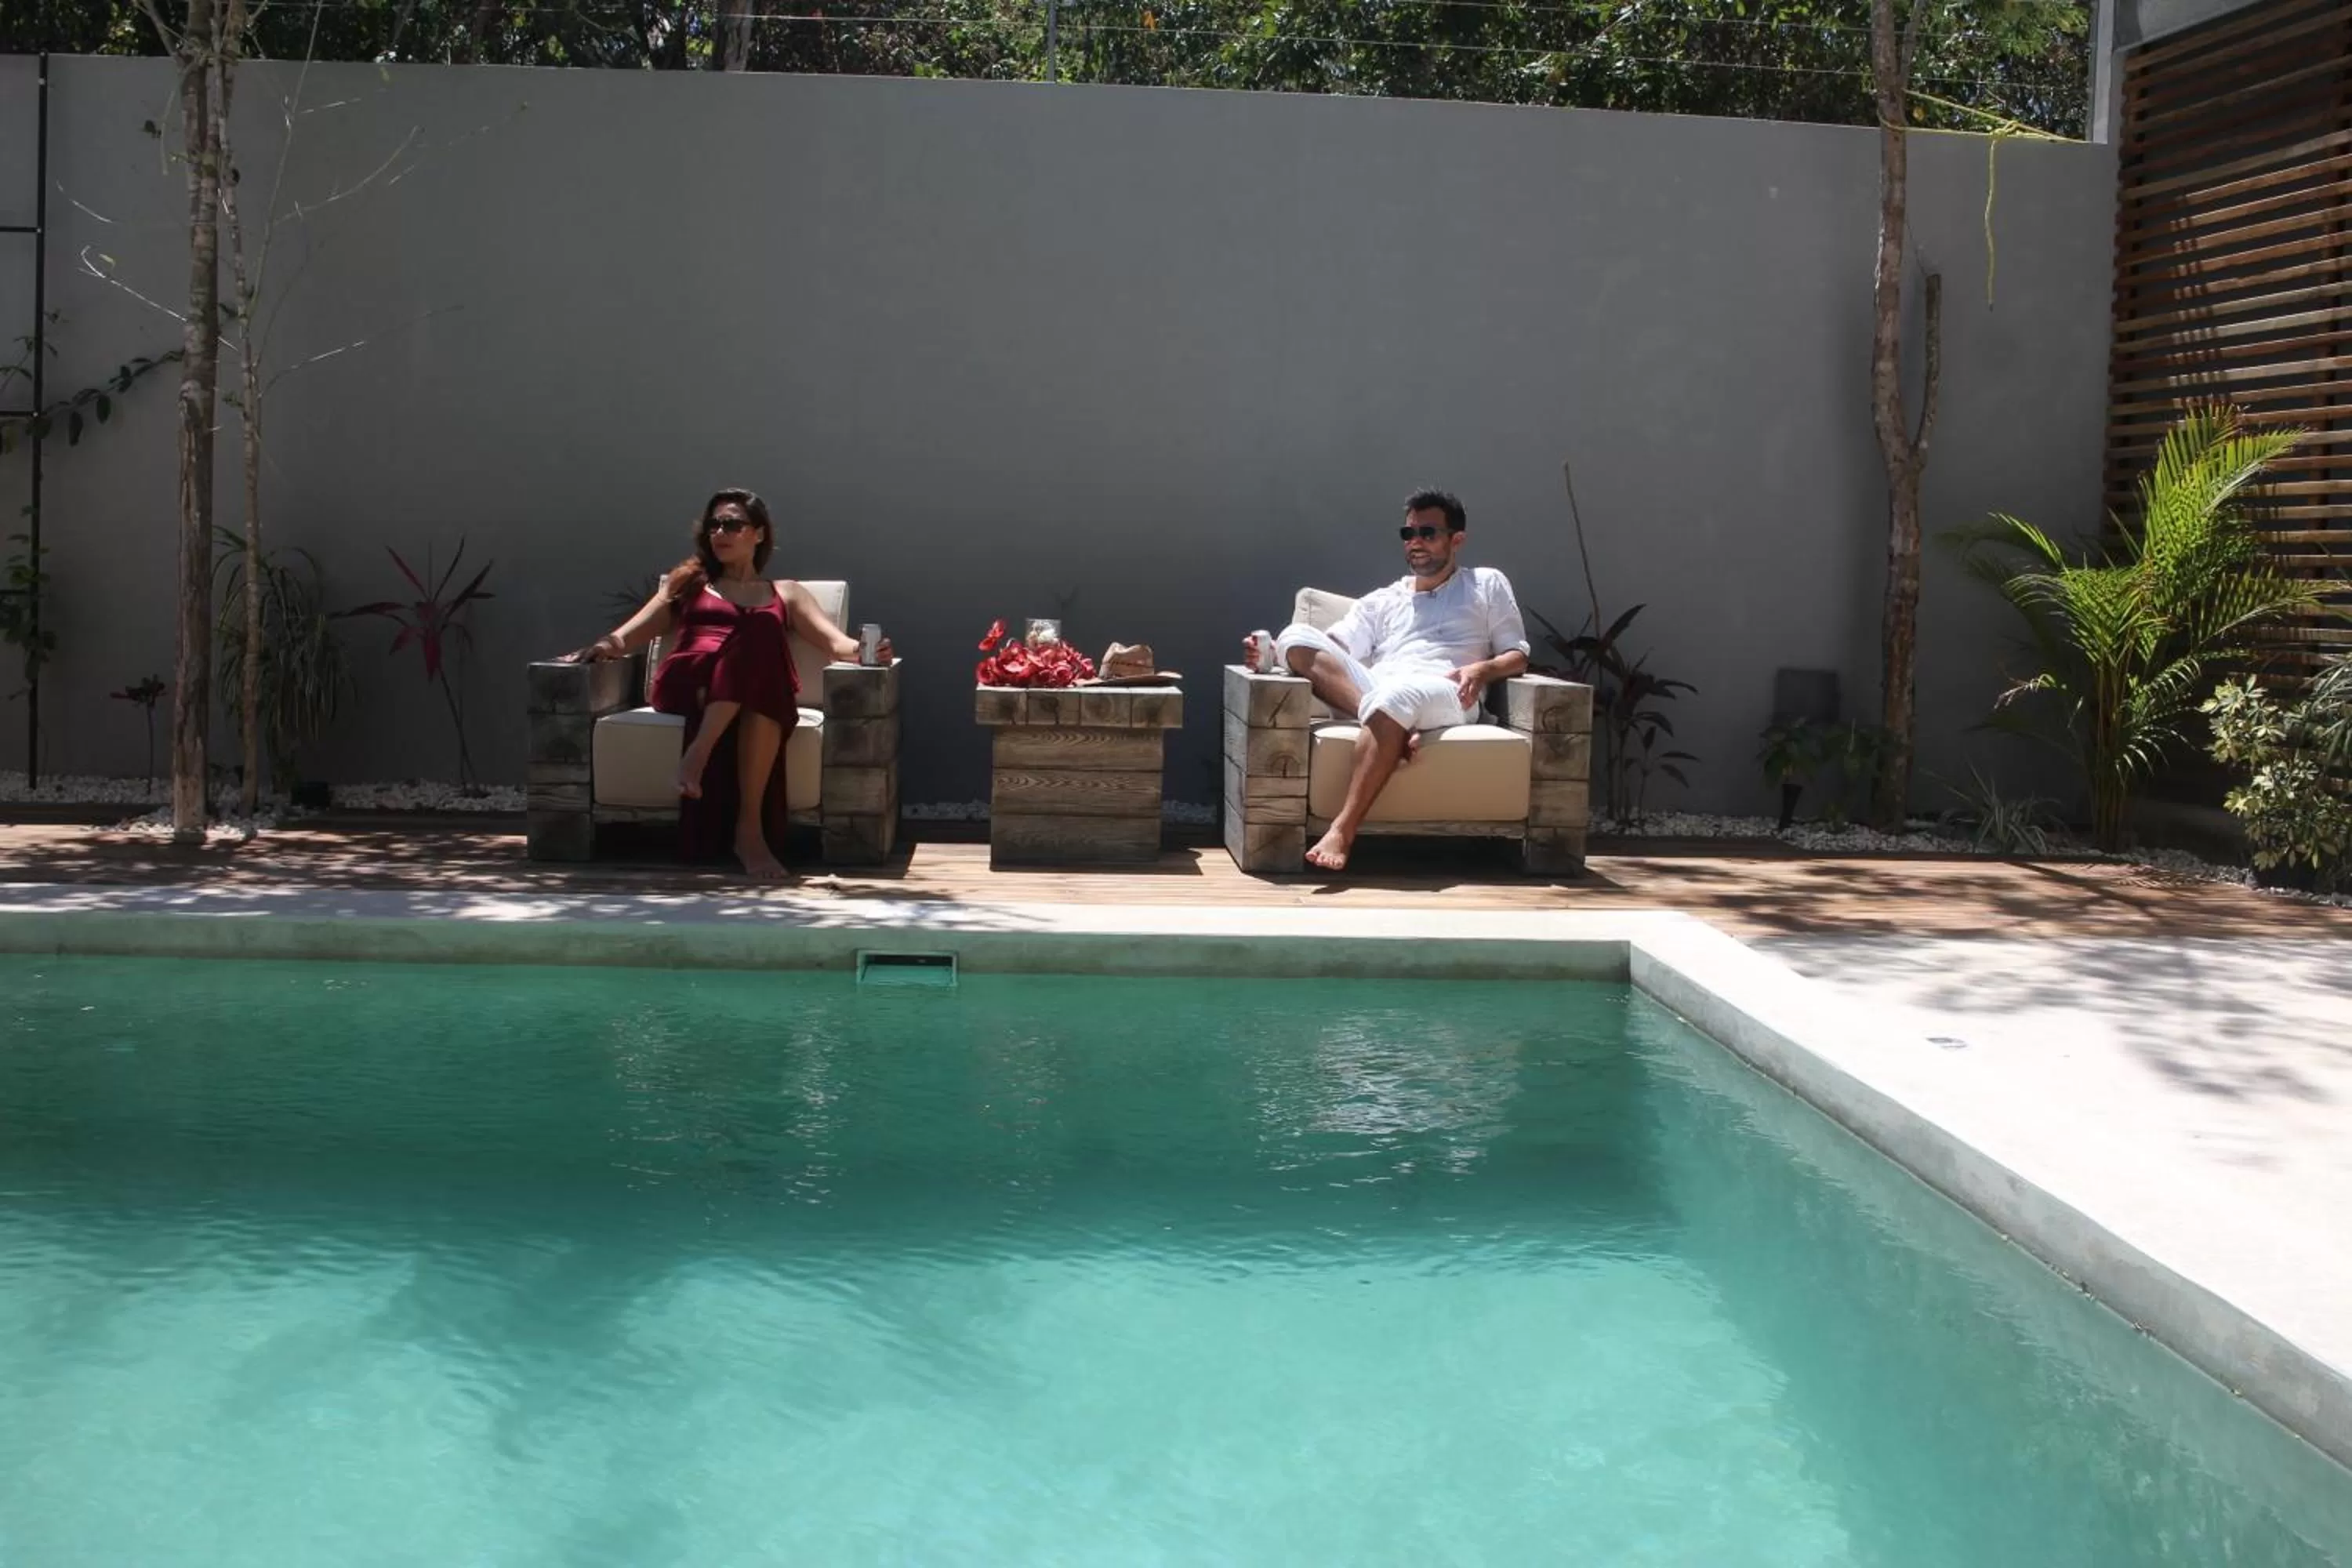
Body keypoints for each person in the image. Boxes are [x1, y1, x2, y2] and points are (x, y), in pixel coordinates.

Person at [565, 488, 886, 881]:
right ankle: (740, 819)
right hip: (689, 681)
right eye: (714, 525)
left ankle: (741, 821)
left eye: (732, 524)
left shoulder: (785, 593)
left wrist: (868, 651)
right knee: (756, 638)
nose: (720, 532)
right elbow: (632, 632)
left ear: (759, 534)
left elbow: (835, 644)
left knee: (757, 654)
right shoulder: (691, 582)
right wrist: (602, 647)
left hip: (754, 688)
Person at [1241, 488, 1530, 873]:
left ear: (1456, 539)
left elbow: (1518, 655)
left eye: (1428, 533)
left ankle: (1342, 830)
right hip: (1379, 689)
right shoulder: (1383, 599)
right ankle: (1385, 723)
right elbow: (1332, 648)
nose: (1416, 543)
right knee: (1297, 634)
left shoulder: (1485, 584)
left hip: (1449, 690)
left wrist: (1482, 670)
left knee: (1396, 694)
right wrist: (1273, 652)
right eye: (1408, 534)